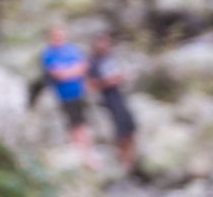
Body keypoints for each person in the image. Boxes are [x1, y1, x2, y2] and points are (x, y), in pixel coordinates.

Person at [34, 24, 95, 165]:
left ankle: (86, 152)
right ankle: (84, 155)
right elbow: (58, 73)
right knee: (75, 123)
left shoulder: (72, 48)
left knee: (83, 122)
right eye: (55, 35)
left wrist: (70, 71)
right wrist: (73, 71)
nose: (59, 37)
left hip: (79, 91)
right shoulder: (48, 53)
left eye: (60, 34)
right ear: (50, 37)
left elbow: (83, 66)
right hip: (64, 94)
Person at [88, 33, 138, 172]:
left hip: (120, 95)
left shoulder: (111, 57)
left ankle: (131, 159)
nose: (104, 46)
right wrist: (108, 82)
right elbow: (90, 84)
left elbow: (119, 73)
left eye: (106, 43)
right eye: (101, 43)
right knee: (120, 131)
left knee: (131, 127)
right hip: (108, 99)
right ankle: (123, 161)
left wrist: (122, 76)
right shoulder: (92, 62)